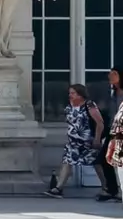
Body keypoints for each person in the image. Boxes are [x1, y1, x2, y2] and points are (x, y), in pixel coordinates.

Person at [46, 83, 105, 197]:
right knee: (67, 162)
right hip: (73, 142)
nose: (70, 95)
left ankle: (106, 187)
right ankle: (59, 188)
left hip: (88, 141)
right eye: (70, 93)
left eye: (73, 93)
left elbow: (100, 123)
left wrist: (97, 139)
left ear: (80, 94)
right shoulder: (69, 106)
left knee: (97, 164)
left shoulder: (89, 105)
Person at [98, 67, 122, 204]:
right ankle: (112, 189)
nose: (110, 76)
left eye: (114, 74)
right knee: (104, 159)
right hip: (112, 130)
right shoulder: (112, 93)